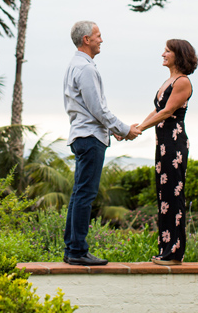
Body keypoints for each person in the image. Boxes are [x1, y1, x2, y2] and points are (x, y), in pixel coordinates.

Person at [63, 20, 140, 266]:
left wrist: (111, 129)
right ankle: (77, 251)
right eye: (98, 35)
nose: (101, 40)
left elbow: (91, 109)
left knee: (78, 194)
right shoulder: (85, 68)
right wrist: (124, 129)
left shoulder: (75, 65)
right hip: (89, 138)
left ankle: (72, 249)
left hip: (83, 135)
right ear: (86, 39)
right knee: (85, 195)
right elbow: (97, 108)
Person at [136, 39, 198, 265]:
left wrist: (141, 128)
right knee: (164, 197)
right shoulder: (168, 81)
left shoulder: (182, 82)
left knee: (173, 195)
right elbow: (157, 109)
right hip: (162, 144)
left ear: (178, 55)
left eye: (167, 51)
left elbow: (168, 111)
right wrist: (136, 128)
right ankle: (165, 250)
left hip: (174, 145)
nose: (163, 54)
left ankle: (174, 253)